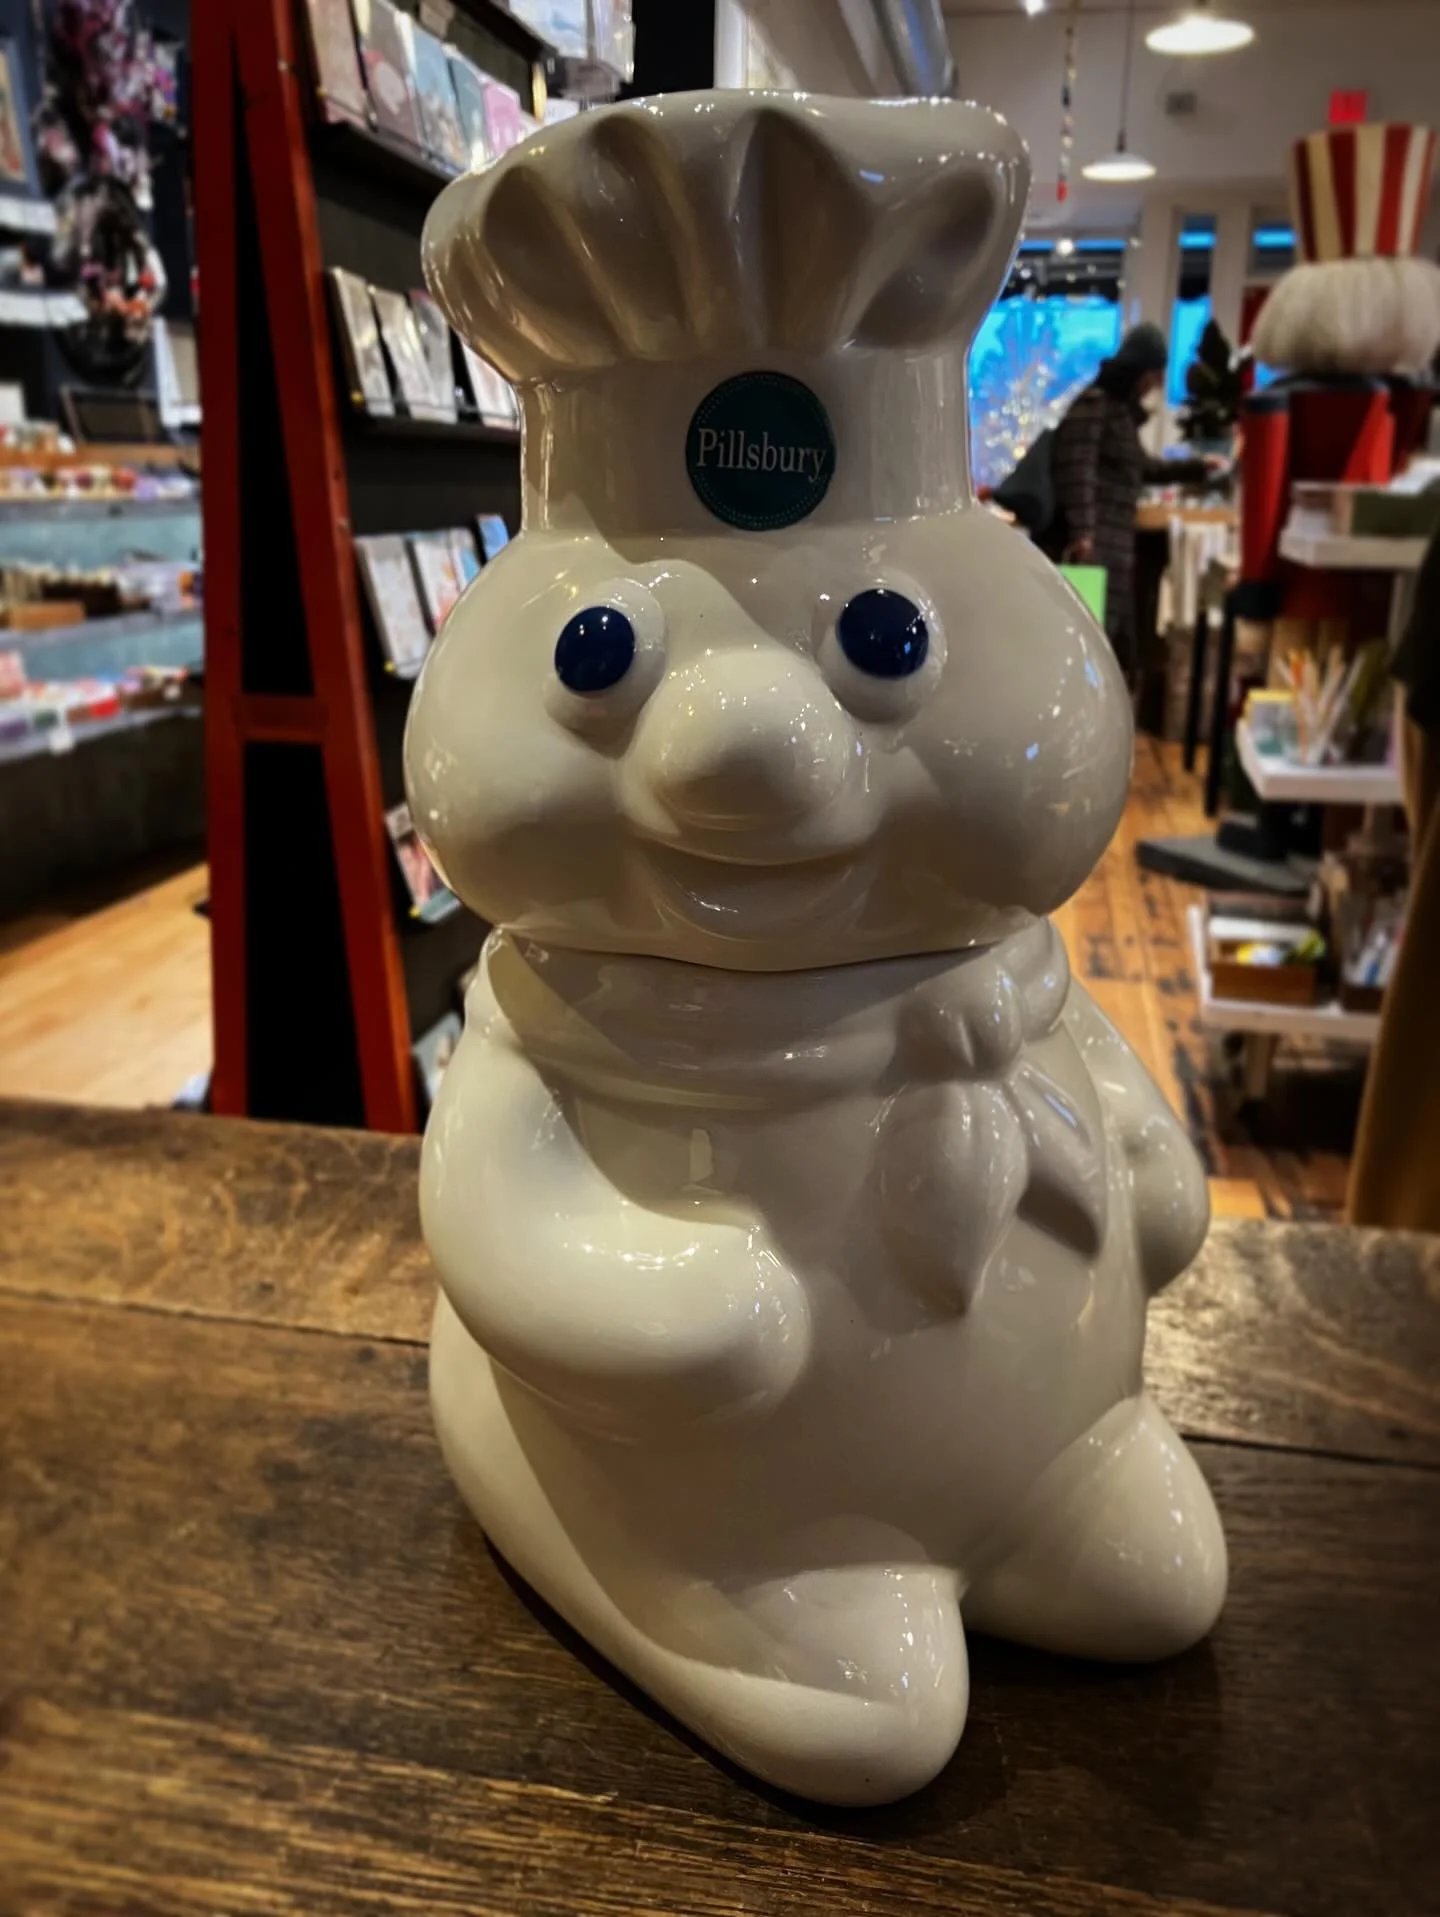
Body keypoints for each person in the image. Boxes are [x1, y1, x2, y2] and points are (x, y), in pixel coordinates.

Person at [1043, 322, 1221, 676]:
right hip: (1095, 551)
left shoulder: (1118, 412)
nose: (1155, 385)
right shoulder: (1096, 404)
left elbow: (1143, 467)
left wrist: (1199, 467)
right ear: (1140, 370)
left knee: (1106, 644)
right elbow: (1077, 467)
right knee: (1085, 644)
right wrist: (1083, 533)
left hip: (1113, 551)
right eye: (1154, 374)